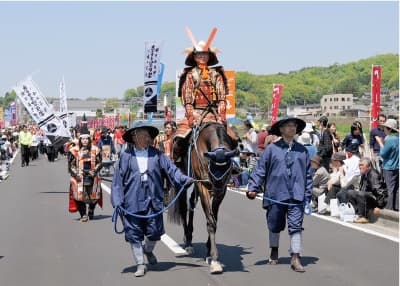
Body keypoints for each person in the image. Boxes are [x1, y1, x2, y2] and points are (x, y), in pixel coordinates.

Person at [111, 122, 193, 277]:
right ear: (135, 138)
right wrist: (117, 201)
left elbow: (172, 170)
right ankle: (140, 264)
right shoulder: (126, 156)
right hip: (131, 201)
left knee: (155, 232)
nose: (147, 138)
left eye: (148, 135)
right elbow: (117, 182)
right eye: (143, 135)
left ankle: (147, 250)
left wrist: (184, 179)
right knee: (133, 234)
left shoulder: (158, 155)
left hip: (153, 200)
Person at [246, 116, 312, 273]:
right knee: (274, 224)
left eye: (294, 126)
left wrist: (308, 195)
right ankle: (274, 249)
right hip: (276, 193)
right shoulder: (271, 149)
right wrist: (253, 187)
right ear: (281, 129)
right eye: (288, 125)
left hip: (297, 195)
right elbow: (260, 169)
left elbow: (308, 174)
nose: (291, 128)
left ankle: (296, 257)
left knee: (296, 226)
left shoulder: (302, 151)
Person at [173, 30, 229, 163]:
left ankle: (232, 164)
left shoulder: (216, 74)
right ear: (194, 56)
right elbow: (187, 99)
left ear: (209, 56)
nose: (202, 56)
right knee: (178, 139)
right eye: (199, 54)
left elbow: (222, 98)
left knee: (233, 138)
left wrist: (221, 115)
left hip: (214, 114)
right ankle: (177, 164)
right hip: (195, 113)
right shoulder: (190, 75)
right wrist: (191, 115)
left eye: (205, 54)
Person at [68, 126, 103, 222]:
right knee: (78, 196)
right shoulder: (73, 150)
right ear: (80, 139)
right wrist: (76, 173)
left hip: (92, 176)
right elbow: (71, 166)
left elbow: (100, 162)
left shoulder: (96, 149)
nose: (85, 141)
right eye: (82, 139)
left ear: (89, 139)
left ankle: (91, 209)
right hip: (79, 176)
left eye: (86, 139)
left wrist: (94, 171)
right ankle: (83, 214)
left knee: (94, 196)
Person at [347, 157, 387, 223]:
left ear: (368, 166)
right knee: (350, 192)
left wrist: (379, 206)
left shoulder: (373, 174)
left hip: (375, 199)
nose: (360, 167)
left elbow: (380, 191)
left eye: (362, 165)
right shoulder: (364, 173)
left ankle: (363, 216)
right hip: (366, 197)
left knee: (360, 194)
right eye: (359, 165)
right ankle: (357, 213)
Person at [376, 118, 399, 211]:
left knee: (390, 188)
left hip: (389, 167)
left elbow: (383, 154)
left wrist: (381, 143)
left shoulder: (390, 140)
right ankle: (397, 207)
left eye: (385, 127)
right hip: (397, 166)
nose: (384, 129)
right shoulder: (398, 138)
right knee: (397, 188)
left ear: (389, 129)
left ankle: (389, 208)